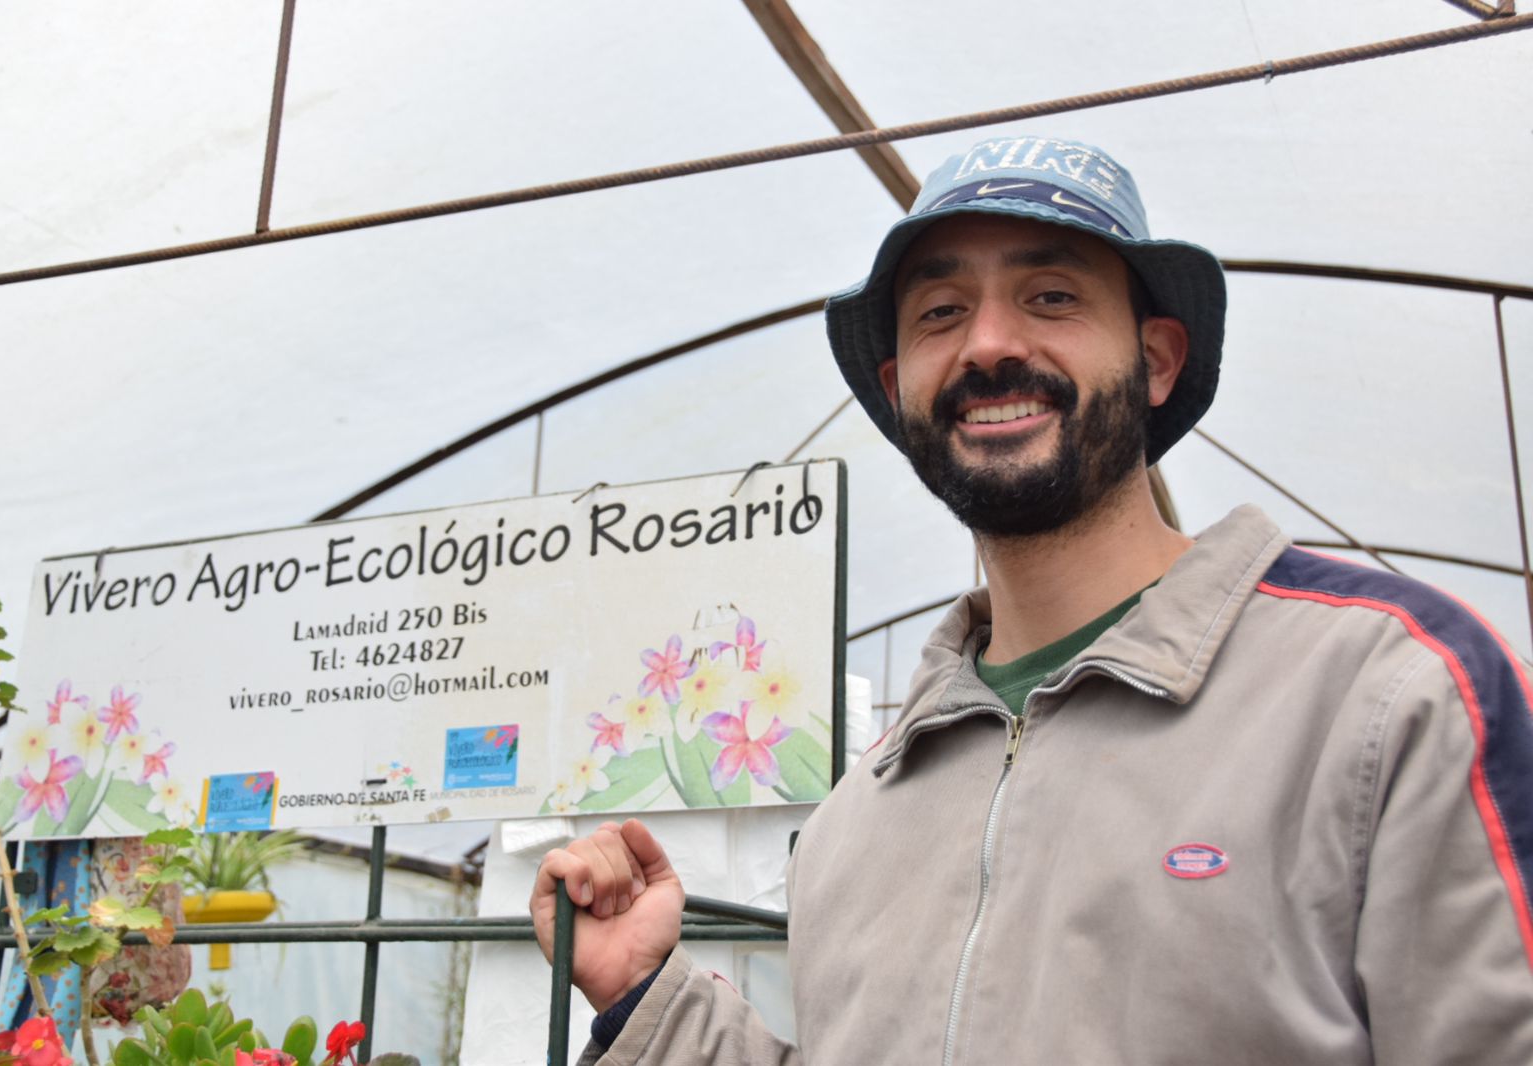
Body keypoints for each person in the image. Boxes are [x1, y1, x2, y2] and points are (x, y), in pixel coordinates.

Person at [530, 134, 1533, 1064]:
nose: (987, 344)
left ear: (1155, 360)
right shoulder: (856, 820)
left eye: (1051, 296)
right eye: (938, 313)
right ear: (898, 387)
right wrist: (647, 999)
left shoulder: (1387, 693)